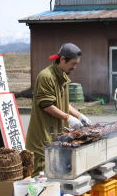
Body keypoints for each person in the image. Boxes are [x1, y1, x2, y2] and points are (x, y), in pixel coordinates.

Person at [26, 43, 92, 176]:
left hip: (55, 135)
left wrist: (79, 116)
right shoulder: (46, 77)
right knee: (41, 177)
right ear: (62, 59)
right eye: (73, 63)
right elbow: (47, 105)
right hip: (43, 137)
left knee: (55, 175)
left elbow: (63, 103)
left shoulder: (61, 76)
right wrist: (68, 118)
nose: (74, 67)